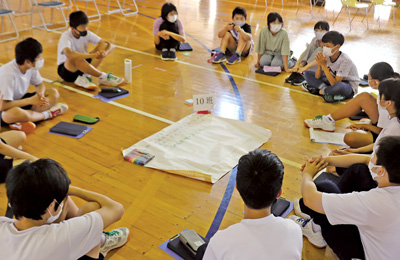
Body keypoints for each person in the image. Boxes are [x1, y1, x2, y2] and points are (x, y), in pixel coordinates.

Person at [291, 135, 400, 260]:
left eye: (374, 158)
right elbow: (365, 160)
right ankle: (321, 217)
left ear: (381, 171)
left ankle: (316, 229)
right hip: (385, 241)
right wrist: (325, 160)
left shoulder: (376, 202)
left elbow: (311, 199)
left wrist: (308, 174)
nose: (371, 160)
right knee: (359, 170)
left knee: (324, 188)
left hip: (364, 254)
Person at [0, 158, 129, 260]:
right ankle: (100, 242)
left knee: (65, 202)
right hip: (53, 244)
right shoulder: (61, 236)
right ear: (50, 206)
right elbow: (116, 209)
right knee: (91, 208)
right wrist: (72, 190)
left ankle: (97, 238)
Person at [201, 149, 302, 260]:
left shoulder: (220, 241)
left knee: (202, 250)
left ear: (237, 188)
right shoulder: (294, 229)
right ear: (279, 193)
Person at [304, 62, 399, 147]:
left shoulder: (386, 98)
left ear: (376, 81)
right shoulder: (392, 88)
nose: (368, 79)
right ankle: (328, 120)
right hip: (387, 127)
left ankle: (328, 120)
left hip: (390, 138)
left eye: (369, 77)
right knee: (364, 97)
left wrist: (366, 126)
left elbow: (384, 131)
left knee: (349, 138)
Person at [0, 38, 68, 134]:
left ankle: (24, 120)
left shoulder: (31, 67)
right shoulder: (8, 74)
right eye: (39, 58)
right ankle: (48, 114)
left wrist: (40, 95)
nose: (41, 60)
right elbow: (3, 106)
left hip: (19, 100)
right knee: (14, 113)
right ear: (28, 62)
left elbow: (39, 84)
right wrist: (30, 101)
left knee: (53, 92)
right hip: (4, 107)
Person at [57, 11, 125, 89]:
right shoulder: (66, 36)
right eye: (82, 27)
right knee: (75, 56)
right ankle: (103, 76)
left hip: (82, 65)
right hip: (67, 70)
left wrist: (105, 52)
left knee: (103, 46)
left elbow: (109, 44)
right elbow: (69, 54)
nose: (85, 29)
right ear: (72, 28)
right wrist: (93, 55)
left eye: (86, 26)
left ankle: (84, 77)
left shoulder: (86, 33)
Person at [302, 31, 359, 103]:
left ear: (337, 47)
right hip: (330, 81)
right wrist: (320, 64)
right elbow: (317, 77)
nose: (325, 48)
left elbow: (335, 83)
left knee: (339, 86)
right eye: (324, 45)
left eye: (328, 46)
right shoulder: (326, 54)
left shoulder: (345, 60)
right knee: (307, 73)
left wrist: (324, 65)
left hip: (347, 85)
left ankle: (323, 91)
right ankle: (326, 91)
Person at [286, 21, 329, 86]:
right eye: (317, 30)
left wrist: (305, 68)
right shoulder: (315, 39)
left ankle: (305, 74)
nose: (319, 32)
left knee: (319, 50)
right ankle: (300, 70)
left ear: (327, 31)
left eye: (321, 30)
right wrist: (298, 65)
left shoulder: (328, 43)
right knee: (309, 47)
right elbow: (306, 52)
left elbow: (318, 60)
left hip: (322, 67)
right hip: (308, 65)